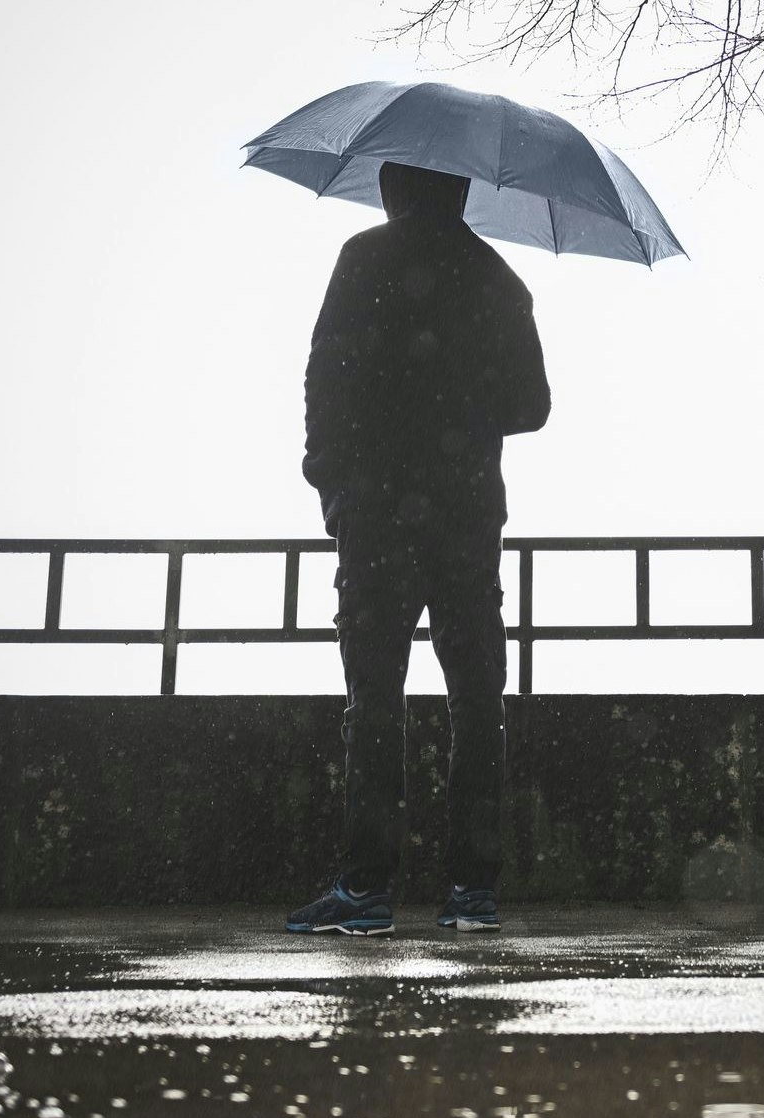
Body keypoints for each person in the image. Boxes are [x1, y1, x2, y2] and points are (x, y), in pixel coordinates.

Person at [285, 160, 551, 937]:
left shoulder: (363, 258)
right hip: (467, 520)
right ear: (463, 189)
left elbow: (322, 375)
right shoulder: (498, 278)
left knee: (374, 701)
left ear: (393, 188)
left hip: (375, 520)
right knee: (477, 703)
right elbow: (531, 407)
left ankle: (366, 889)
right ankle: (473, 892)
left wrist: (330, 478)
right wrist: (465, 395)